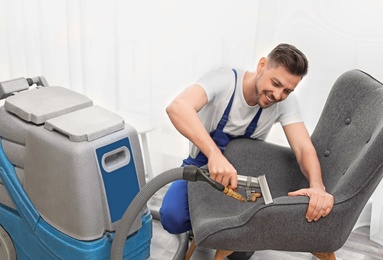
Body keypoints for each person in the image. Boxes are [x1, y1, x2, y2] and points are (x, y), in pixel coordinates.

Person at [160, 43, 335, 260]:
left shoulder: (285, 104)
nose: (278, 95)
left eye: (287, 91)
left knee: (240, 252)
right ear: (262, 65)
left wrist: (317, 186)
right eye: (276, 83)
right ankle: (201, 227)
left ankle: (214, 228)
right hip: (199, 170)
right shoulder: (224, 81)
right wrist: (214, 155)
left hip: (240, 182)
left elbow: (303, 147)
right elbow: (177, 107)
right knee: (172, 217)